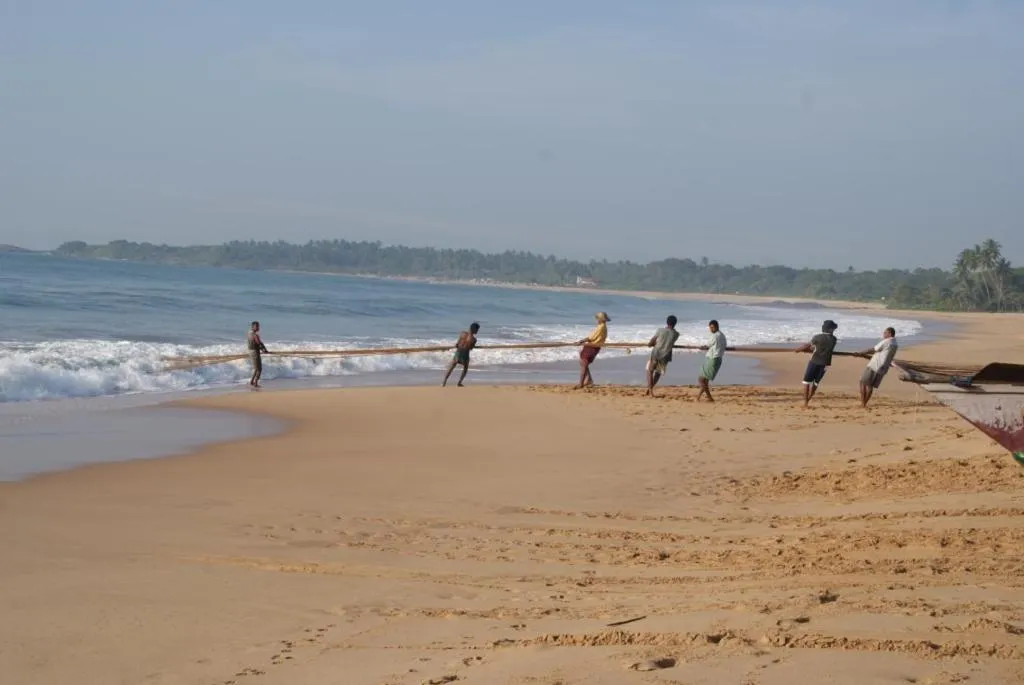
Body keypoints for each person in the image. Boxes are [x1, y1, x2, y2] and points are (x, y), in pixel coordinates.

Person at [795, 319, 838, 408]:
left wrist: (798, 350)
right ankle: (809, 399)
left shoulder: (817, 337)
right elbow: (822, 347)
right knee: (816, 382)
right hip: (826, 363)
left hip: (815, 361)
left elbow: (808, 345)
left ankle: (805, 402)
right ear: (831, 329)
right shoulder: (834, 339)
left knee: (807, 381)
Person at [858, 327, 898, 408]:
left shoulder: (887, 341)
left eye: (885, 333)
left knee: (862, 382)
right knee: (870, 386)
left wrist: (860, 353)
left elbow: (874, 349)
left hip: (874, 365)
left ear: (890, 334)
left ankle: (863, 404)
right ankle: (864, 403)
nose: (883, 334)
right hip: (883, 368)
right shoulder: (895, 343)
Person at [645, 315, 680, 397]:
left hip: (656, 353)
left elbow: (650, 343)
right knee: (658, 373)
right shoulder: (676, 334)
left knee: (650, 371)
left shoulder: (660, 330)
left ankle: (650, 390)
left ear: (667, 322)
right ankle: (651, 388)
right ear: (675, 323)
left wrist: (651, 344)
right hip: (665, 355)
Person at [575, 311, 610, 389]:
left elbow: (591, 338)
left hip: (592, 346)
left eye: (597, 318)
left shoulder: (601, 327)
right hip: (593, 346)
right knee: (583, 362)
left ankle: (581, 383)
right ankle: (589, 380)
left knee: (584, 363)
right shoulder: (602, 326)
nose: (596, 320)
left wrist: (581, 341)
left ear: (600, 319)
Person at [442, 322, 480, 387]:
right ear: (474, 329)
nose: (477, 331)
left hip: (458, 352)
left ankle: (444, 382)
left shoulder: (462, 333)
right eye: (477, 330)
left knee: (451, 367)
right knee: (465, 369)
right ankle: (459, 383)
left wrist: (459, 345)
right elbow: (470, 348)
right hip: (465, 354)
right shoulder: (474, 339)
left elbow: (457, 344)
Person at [697, 319, 727, 402]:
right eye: (710, 328)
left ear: (717, 327)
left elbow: (708, 345)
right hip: (717, 359)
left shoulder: (715, 336)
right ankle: (699, 397)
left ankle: (710, 398)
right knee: (705, 380)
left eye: (712, 328)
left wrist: (703, 347)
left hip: (713, 358)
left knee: (701, 379)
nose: (711, 329)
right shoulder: (722, 335)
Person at [247, 321, 269, 388]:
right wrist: (264, 350)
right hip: (255, 352)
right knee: (259, 369)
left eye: (258, 326)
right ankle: (256, 383)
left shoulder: (249, 333)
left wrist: (263, 349)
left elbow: (257, 343)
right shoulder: (254, 335)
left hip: (250, 351)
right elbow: (259, 343)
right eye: (257, 326)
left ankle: (251, 381)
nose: (258, 327)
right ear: (253, 326)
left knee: (256, 368)